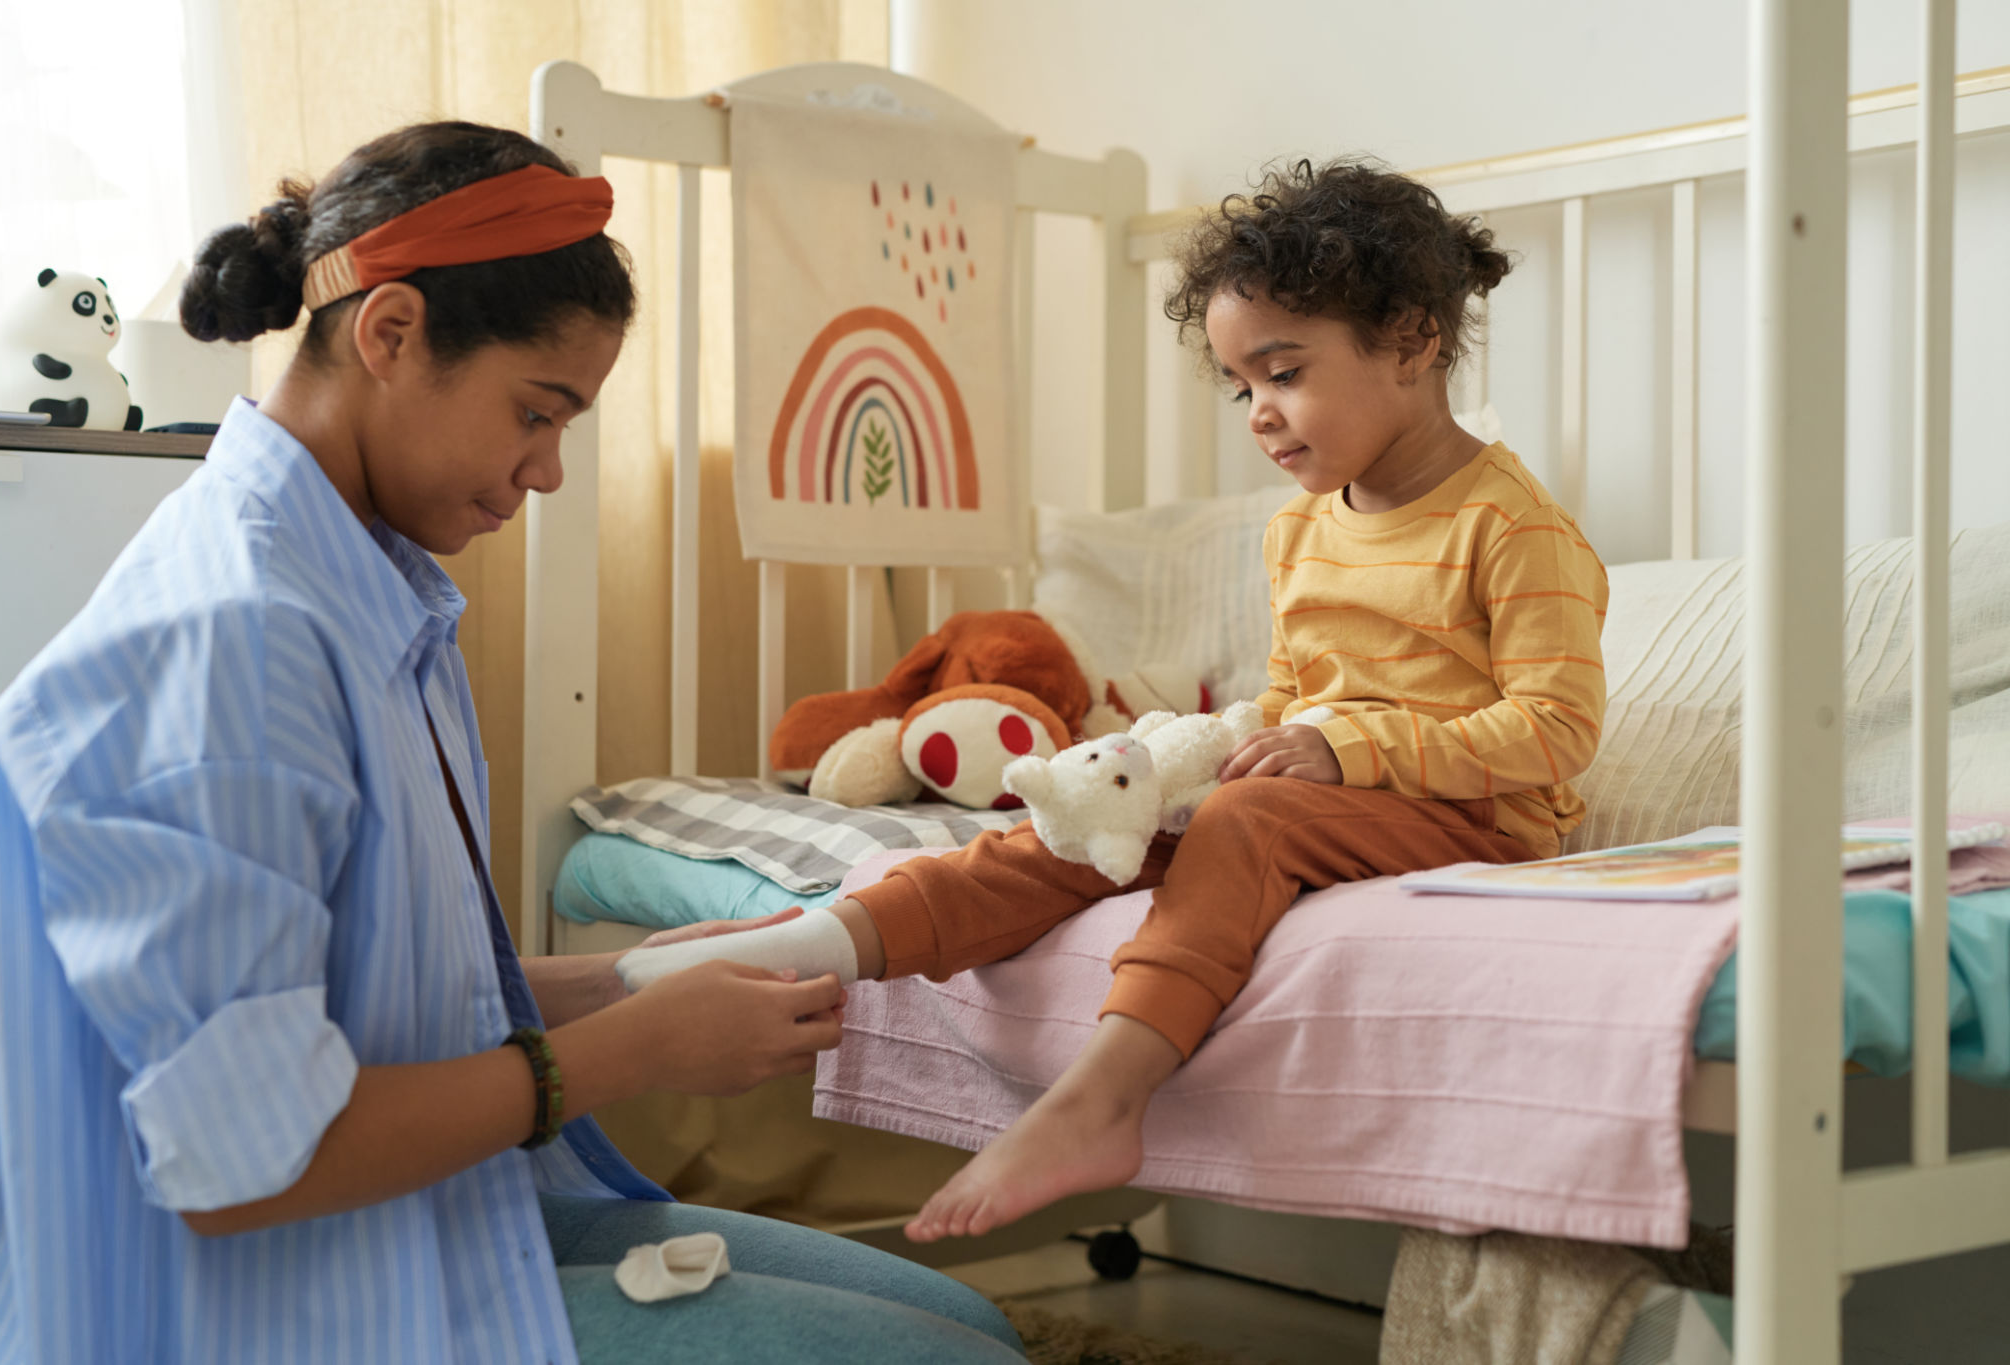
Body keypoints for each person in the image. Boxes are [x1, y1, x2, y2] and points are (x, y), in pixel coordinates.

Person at [0, 122, 1025, 1365]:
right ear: (391, 332)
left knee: (963, 1320)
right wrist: (626, 1052)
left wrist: (631, 978)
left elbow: (369, 991)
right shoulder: (234, 641)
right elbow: (238, 1162)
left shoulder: (363, 589)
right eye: (537, 410)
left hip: (393, 1211)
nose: (550, 470)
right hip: (244, 1299)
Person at [617, 157, 1612, 1245]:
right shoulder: (1301, 529)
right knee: (1084, 824)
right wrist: (1198, 756)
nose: (1258, 415)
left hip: (1469, 824)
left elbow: (1553, 732)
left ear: (1413, 342)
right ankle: (820, 942)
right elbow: (1292, 697)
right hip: (1328, 803)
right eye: (1241, 387)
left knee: (1243, 818)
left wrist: (1342, 754)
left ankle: (1102, 1100)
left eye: (1281, 373)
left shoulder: (1509, 528)